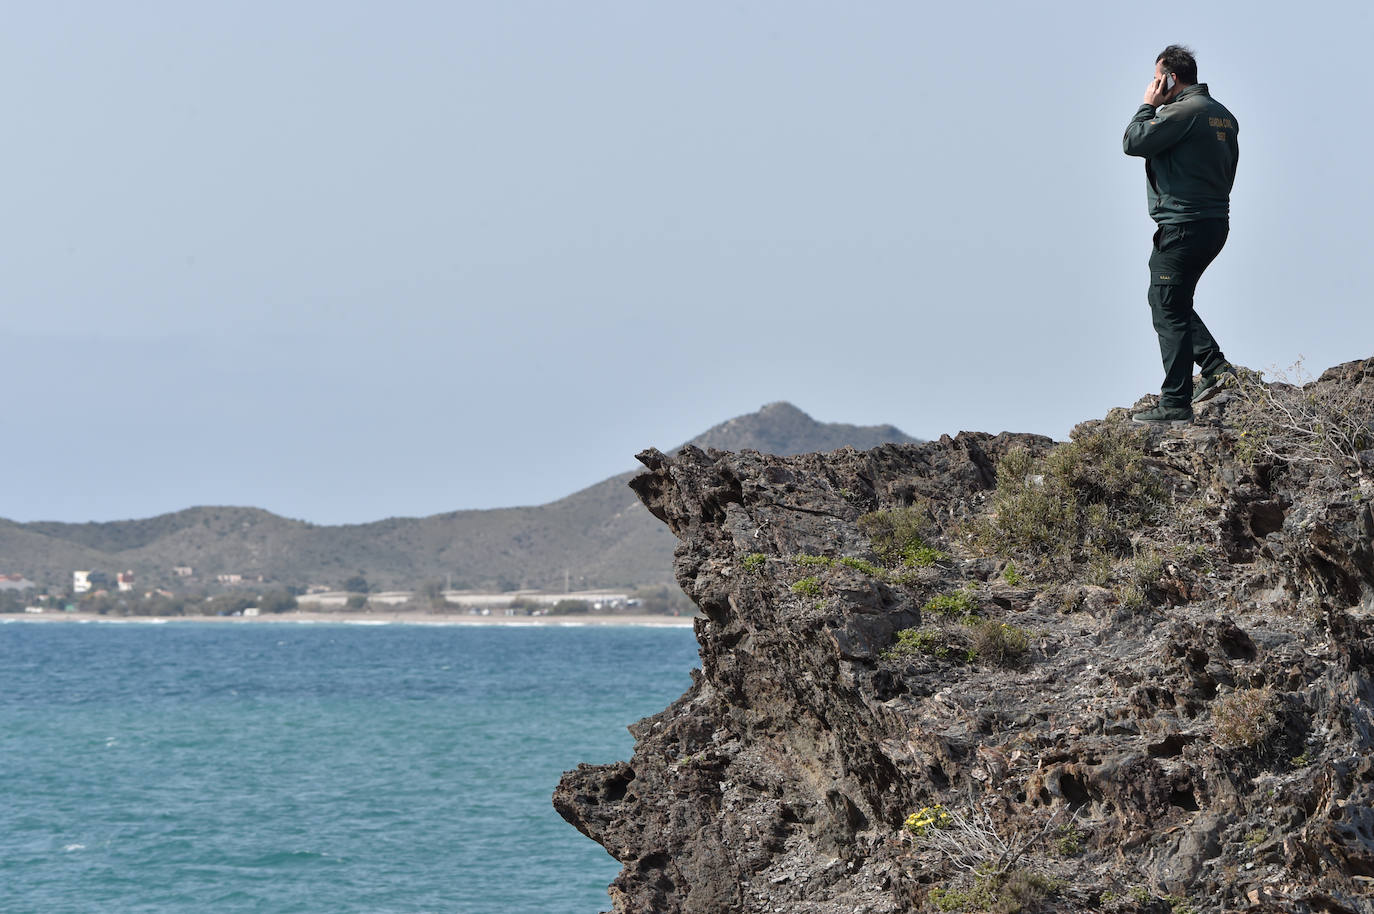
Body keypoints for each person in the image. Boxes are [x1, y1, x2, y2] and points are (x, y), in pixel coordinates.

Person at [1123, 45, 1239, 426]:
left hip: (1183, 227)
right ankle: (1216, 368)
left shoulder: (1181, 112)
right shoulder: (1223, 115)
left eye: (1158, 77)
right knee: (1170, 299)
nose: (1155, 84)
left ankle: (1175, 403)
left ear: (1171, 78)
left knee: (1166, 302)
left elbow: (1134, 142)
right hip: (1213, 224)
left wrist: (1147, 105)